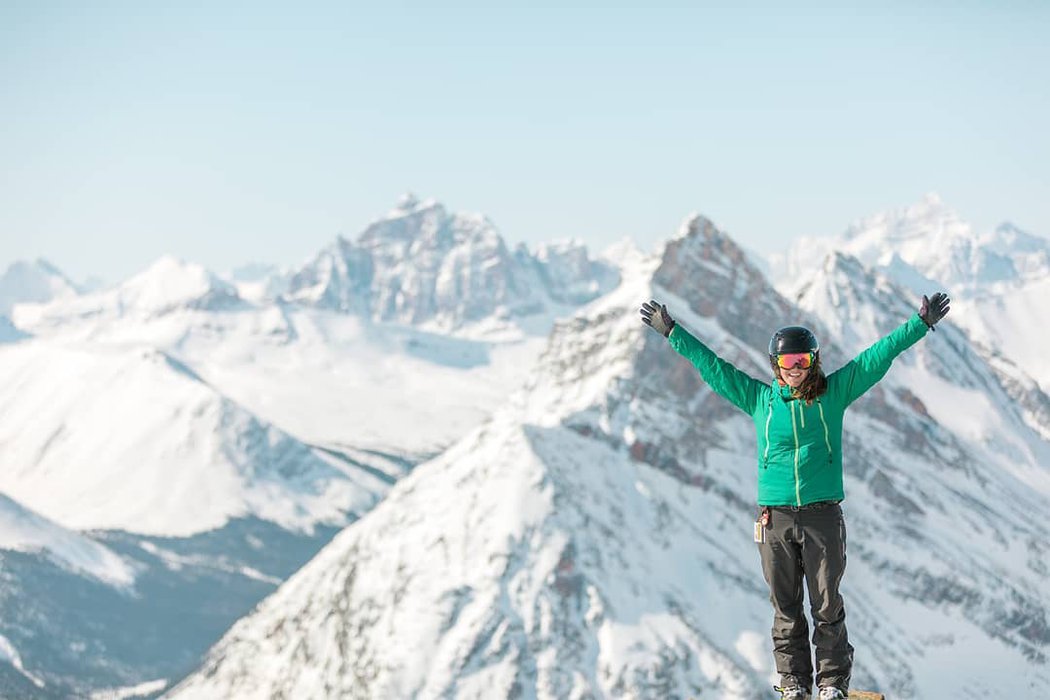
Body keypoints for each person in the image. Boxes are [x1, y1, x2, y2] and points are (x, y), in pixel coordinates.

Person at [639, 292, 951, 700]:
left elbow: (877, 357)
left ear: (814, 361)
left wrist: (920, 323)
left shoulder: (833, 394)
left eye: (802, 361)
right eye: (787, 363)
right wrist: (674, 333)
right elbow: (713, 367)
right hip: (775, 519)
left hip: (822, 515)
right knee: (785, 607)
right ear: (776, 366)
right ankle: (793, 683)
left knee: (826, 604)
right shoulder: (759, 400)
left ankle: (833, 684)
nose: (795, 369)